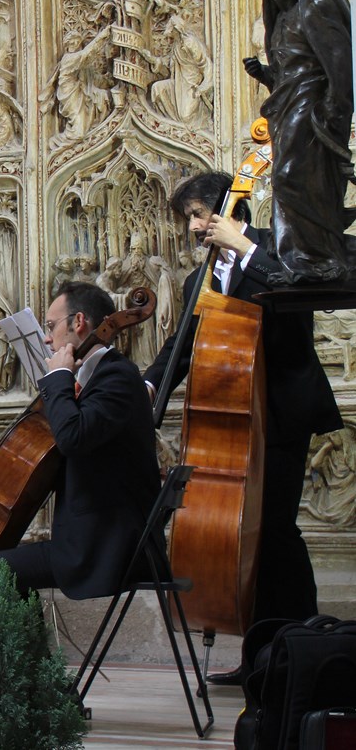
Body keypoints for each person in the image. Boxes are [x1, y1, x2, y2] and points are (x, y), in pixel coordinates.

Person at [144, 171, 341, 684]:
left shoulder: (278, 252)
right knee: (243, 539)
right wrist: (147, 387)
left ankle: (298, 652)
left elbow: (300, 303)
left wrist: (247, 251)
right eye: (187, 216)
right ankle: (260, 655)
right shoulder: (200, 280)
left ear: (233, 212)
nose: (191, 228)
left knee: (276, 532)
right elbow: (179, 348)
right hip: (233, 423)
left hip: (281, 414)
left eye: (198, 214)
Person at [0, 282, 161, 601]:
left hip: (107, 548)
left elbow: (71, 438)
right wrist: (4, 453)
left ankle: (14, 654)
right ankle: (26, 653)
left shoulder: (119, 378)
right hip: (91, 541)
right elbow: (63, 448)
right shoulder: (98, 380)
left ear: (79, 322)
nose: (46, 338)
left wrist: (58, 377)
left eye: (52, 326)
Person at [244, 0, 353, 285]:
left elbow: (339, 67)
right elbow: (290, 70)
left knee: (291, 178)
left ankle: (321, 258)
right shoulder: (283, 17)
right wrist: (265, 75)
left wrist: (334, 113)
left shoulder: (314, 6)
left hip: (311, 108)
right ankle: (303, 259)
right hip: (290, 105)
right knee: (290, 182)